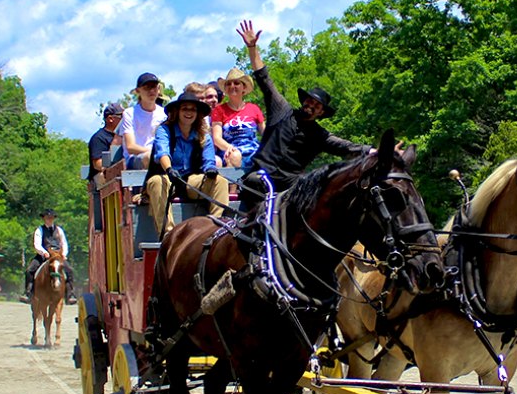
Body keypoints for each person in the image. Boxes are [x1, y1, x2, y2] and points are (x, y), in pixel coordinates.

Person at [236, 19, 370, 206]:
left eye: (317, 105)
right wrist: (252, 47)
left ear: (321, 112)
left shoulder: (319, 135)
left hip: (289, 190)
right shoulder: (282, 111)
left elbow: (347, 147)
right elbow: (264, 79)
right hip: (258, 182)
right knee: (253, 187)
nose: (311, 105)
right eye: (309, 100)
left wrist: (378, 151)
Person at [144, 92, 230, 235]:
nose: (189, 112)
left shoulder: (203, 135)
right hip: (167, 177)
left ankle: (215, 231)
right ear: (177, 112)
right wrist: (169, 169)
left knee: (220, 182)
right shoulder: (164, 130)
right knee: (157, 182)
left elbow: (209, 161)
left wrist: (210, 169)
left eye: (193, 109)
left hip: (190, 181)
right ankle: (169, 234)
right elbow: (162, 153)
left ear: (198, 114)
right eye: (185, 108)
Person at [211, 67, 265, 169]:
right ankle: (233, 185)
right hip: (231, 151)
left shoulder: (254, 108)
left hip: (254, 151)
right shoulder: (219, 110)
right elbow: (217, 138)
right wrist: (229, 148)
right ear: (225, 89)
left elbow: (266, 134)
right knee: (235, 156)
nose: (232, 86)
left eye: (236, 83)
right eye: (229, 84)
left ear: (243, 87)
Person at [20, 209, 76, 305]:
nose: (49, 220)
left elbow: (64, 243)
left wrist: (64, 254)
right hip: (43, 256)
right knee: (29, 270)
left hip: (58, 256)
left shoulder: (59, 230)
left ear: (53, 219)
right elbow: (37, 244)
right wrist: (44, 252)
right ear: (44, 219)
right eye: (47, 218)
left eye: (51, 218)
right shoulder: (39, 230)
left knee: (70, 270)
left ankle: (69, 294)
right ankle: (28, 292)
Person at [115, 73, 166, 170]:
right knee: (149, 157)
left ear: (158, 89)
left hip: (159, 156)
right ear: (138, 91)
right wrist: (155, 152)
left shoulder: (164, 114)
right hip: (135, 159)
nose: (151, 91)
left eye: (154, 87)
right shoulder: (129, 113)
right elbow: (130, 147)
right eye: (147, 87)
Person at [87, 102, 123, 184]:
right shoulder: (98, 138)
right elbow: (98, 164)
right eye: (122, 116)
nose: (126, 119)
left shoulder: (128, 135)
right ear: (110, 118)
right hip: (101, 186)